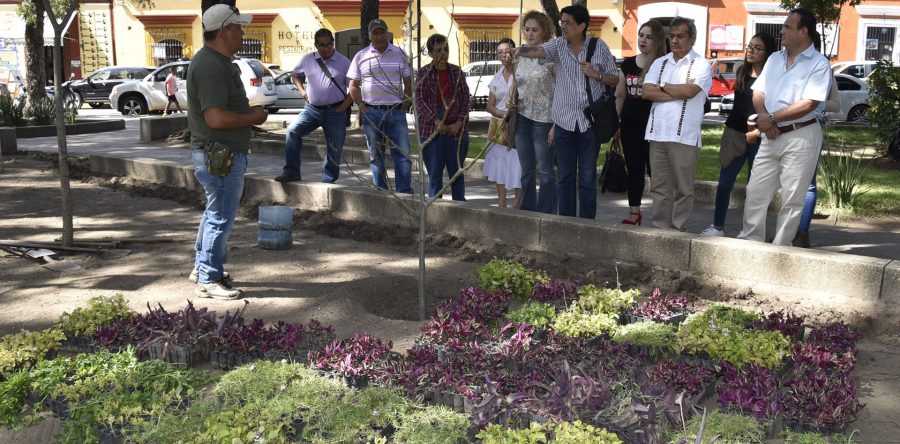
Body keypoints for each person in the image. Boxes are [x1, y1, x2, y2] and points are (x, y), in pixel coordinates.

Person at [186, 4, 269, 300]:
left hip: (219, 153)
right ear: (223, 31)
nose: (242, 32)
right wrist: (254, 118)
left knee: (215, 212)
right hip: (219, 155)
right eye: (238, 28)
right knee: (221, 215)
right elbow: (216, 119)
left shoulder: (218, 62)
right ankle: (209, 277)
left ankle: (203, 267)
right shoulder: (210, 66)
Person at [514, 4, 618, 219]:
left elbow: (614, 78)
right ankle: (567, 223)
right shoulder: (559, 45)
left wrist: (595, 74)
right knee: (565, 177)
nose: (563, 26)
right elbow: (539, 51)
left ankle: (588, 224)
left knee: (588, 178)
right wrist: (518, 50)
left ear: (581, 26)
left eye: (567, 22)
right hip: (563, 123)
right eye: (561, 22)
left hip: (590, 123)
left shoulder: (599, 47)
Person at [737, 8, 830, 246]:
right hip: (771, 135)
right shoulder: (775, 58)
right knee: (756, 191)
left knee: (792, 198)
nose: (782, 31)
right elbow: (758, 92)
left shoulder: (819, 64)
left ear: (804, 31)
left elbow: (810, 103)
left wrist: (773, 118)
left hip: (802, 135)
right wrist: (766, 119)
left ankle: (781, 248)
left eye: (788, 27)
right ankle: (751, 242)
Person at [701, 32, 778, 237]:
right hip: (735, 133)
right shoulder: (741, 70)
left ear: (768, 52)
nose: (751, 51)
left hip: (759, 135)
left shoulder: (773, 77)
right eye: (750, 46)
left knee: (756, 187)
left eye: (757, 47)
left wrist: (757, 130)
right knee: (725, 182)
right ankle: (717, 227)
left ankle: (750, 230)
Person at [641, 17, 712, 231]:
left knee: (684, 188)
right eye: (672, 36)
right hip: (657, 133)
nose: (675, 41)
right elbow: (646, 92)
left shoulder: (701, 64)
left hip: (684, 135)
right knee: (660, 188)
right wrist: (675, 89)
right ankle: (661, 229)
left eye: (680, 36)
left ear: (692, 38)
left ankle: (678, 229)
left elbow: (691, 92)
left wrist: (662, 87)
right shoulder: (659, 62)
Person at [275, 28, 352, 184]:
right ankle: (291, 172)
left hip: (335, 111)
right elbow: (295, 74)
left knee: (334, 148)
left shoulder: (344, 62)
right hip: (312, 110)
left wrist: (343, 107)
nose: (326, 48)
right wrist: (302, 91)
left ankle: (328, 181)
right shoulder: (307, 60)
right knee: (292, 132)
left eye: (329, 44)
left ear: (333, 42)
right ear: (316, 45)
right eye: (322, 45)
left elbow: (354, 88)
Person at [348, 18, 413, 194]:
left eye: (381, 32)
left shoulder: (399, 53)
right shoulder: (361, 56)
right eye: (375, 33)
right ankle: (381, 193)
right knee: (376, 155)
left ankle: (404, 193)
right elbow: (353, 85)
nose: (379, 36)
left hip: (395, 112)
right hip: (372, 113)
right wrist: (361, 106)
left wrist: (405, 104)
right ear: (369, 35)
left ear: (387, 33)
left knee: (402, 154)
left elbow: (408, 82)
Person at [614, 19, 667, 225]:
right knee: (634, 169)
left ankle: (661, 216)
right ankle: (634, 213)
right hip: (630, 125)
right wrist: (616, 123)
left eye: (649, 37)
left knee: (656, 171)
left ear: (657, 40)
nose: (643, 40)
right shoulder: (627, 64)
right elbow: (620, 95)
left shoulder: (663, 64)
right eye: (641, 35)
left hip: (655, 127)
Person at [414, 33, 471, 201]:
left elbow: (466, 99)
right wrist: (436, 121)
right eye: (439, 50)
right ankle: (435, 210)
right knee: (435, 175)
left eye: (446, 49)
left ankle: (459, 209)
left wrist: (459, 122)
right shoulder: (424, 73)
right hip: (433, 130)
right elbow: (419, 101)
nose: (443, 53)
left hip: (457, 130)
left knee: (457, 174)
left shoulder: (456, 72)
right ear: (431, 53)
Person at [515, 10, 556, 214]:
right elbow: (515, 85)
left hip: (544, 118)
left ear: (544, 31)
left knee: (546, 171)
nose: (529, 34)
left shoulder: (550, 56)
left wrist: (555, 124)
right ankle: (527, 212)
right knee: (526, 169)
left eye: (535, 30)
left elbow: (561, 90)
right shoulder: (519, 56)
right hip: (522, 117)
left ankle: (547, 213)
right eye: (527, 29)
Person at [484, 38, 523, 208]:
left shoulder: (521, 74)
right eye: (500, 52)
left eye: (507, 51)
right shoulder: (497, 76)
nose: (504, 55)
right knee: (499, 164)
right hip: (498, 127)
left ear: (514, 51)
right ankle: (501, 203)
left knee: (517, 164)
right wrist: (502, 114)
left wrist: (511, 115)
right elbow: (489, 106)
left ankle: (516, 203)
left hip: (518, 125)